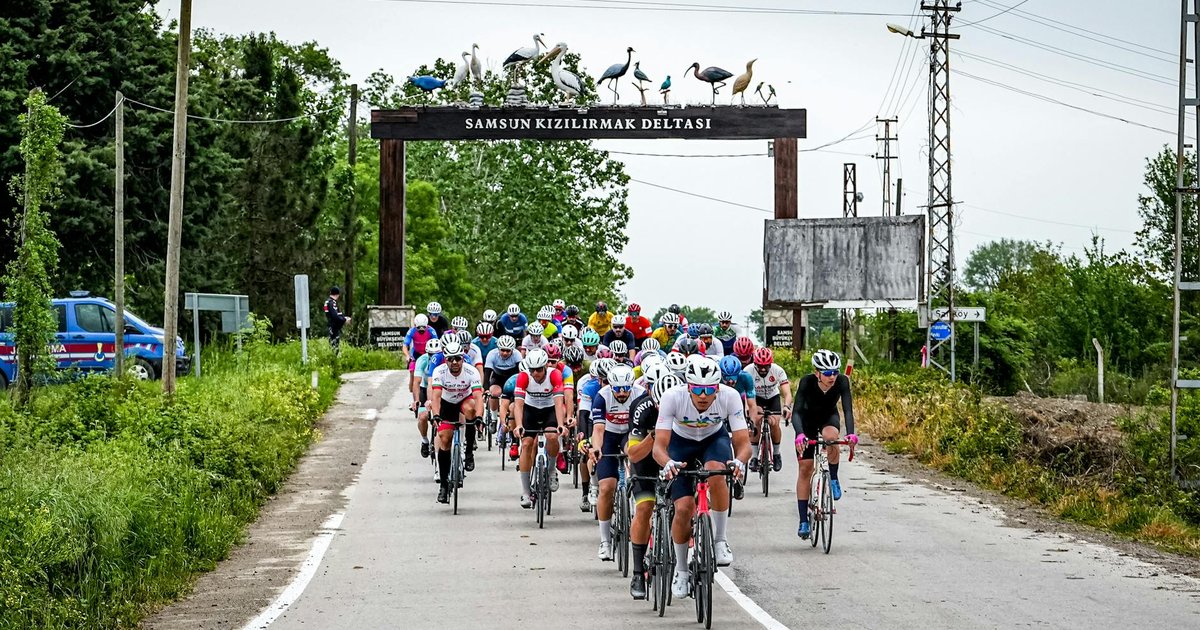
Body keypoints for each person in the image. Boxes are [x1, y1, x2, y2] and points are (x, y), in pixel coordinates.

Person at [653, 356, 750, 599]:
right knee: (684, 508)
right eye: (697, 389)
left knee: (717, 471)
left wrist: (739, 461)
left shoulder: (730, 396)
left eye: (709, 390)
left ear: (718, 388)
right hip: (680, 443)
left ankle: (719, 539)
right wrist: (667, 463)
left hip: (713, 440)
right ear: (688, 387)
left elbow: (743, 443)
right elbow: (659, 446)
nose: (703, 395)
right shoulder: (673, 397)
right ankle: (682, 570)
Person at [625, 372, 683, 599]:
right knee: (644, 508)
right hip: (647, 462)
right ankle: (638, 573)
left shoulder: (685, 406)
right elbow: (634, 454)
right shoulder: (642, 408)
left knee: (684, 504)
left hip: (674, 458)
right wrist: (653, 436)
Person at [792, 349, 857, 540]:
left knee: (832, 438)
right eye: (827, 373)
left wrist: (851, 434)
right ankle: (804, 520)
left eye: (835, 372)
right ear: (817, 372)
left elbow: (847, 409)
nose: (832, 377)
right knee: (805, 468)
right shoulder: (806, 382)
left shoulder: (842, 381)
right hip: (807, 420)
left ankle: (834, 478)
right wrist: (799, 434)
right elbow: (796, 412)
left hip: (829, 417)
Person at [588, 365, 646, 562]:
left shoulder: (640, 394)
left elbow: (643, 427)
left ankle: (632, 484)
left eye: (626, 389)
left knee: (632, 451)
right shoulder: (602, 397)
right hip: (610, 435)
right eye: (617, 389)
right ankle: (605, 541)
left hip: (630, 434)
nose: (622, 393)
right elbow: (597, 430)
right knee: (606, 488)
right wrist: (596, 448)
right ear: (610, 385)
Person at [428, 340, 484, 504]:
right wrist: (436, 415)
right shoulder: (440, 371)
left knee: (471, 411)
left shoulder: (471, 371)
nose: (454, 363)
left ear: (463, 358)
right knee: (445, 440)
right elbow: (436, 396)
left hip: (464, 399)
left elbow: (478, 397)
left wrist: (479, 417)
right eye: (450, 359)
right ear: (445, 359)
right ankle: (444, 486)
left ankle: (468, 453)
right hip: (446, 403)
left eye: (457, 359)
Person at [513, 349, 567, 508]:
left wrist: (561, 425)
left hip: (549, 409)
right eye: (532, 370)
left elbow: (558, 403)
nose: (535, 373)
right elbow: (518, 405)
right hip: (530, 410)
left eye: (539, 369)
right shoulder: (523, 377)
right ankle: (525, 492)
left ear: (545, 367)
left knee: (552, 437)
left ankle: (551, 470)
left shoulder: (554, 375)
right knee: (526, 444)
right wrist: (519, 425)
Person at [748, 347, 792, 474]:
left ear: (770, 364)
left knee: (774, 423)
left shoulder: (777, 370)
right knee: (756, 421)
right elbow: (744, 394)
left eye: (766, 366)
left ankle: (777, 454)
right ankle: (755, 457)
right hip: (756, 398)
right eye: (759, 366)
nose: (762, 369)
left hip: (773, 397)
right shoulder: (748, 371)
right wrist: (748, 410)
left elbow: (787, 393)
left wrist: (786, 406)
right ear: (754, 363)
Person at [485, 335, 523, 459]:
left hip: (512, 379)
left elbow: (521, 373)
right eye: (502, 350)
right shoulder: (492, 354)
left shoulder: (517, 355)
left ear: (512, 350)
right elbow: (487, 374)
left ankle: (512, 434)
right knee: (494, 393)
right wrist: (485, 388)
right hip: (498, 377)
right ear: (498, 349)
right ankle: (494, 418)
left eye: (508, 351)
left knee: (513, 405)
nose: (505, 353)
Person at [411, 338, 443, 458]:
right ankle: (424, 440)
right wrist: (416, 400)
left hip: (439, 389)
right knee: (423, 417)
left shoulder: (443, 360)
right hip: (425, 389)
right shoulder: (422, 360)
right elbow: (417, 382)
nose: (433, 357)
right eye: (430, 354)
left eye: (436, 354)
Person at [324, 287, 350, 351]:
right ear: (337, 294)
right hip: (334, 327)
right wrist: (344, 320)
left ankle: (333, 357)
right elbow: (335, 316)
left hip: (331, 326)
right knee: (335, 346)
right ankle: (333, 359)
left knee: (333, 345)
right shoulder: (332, 303)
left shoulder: (327, 302)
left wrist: (343, 317)